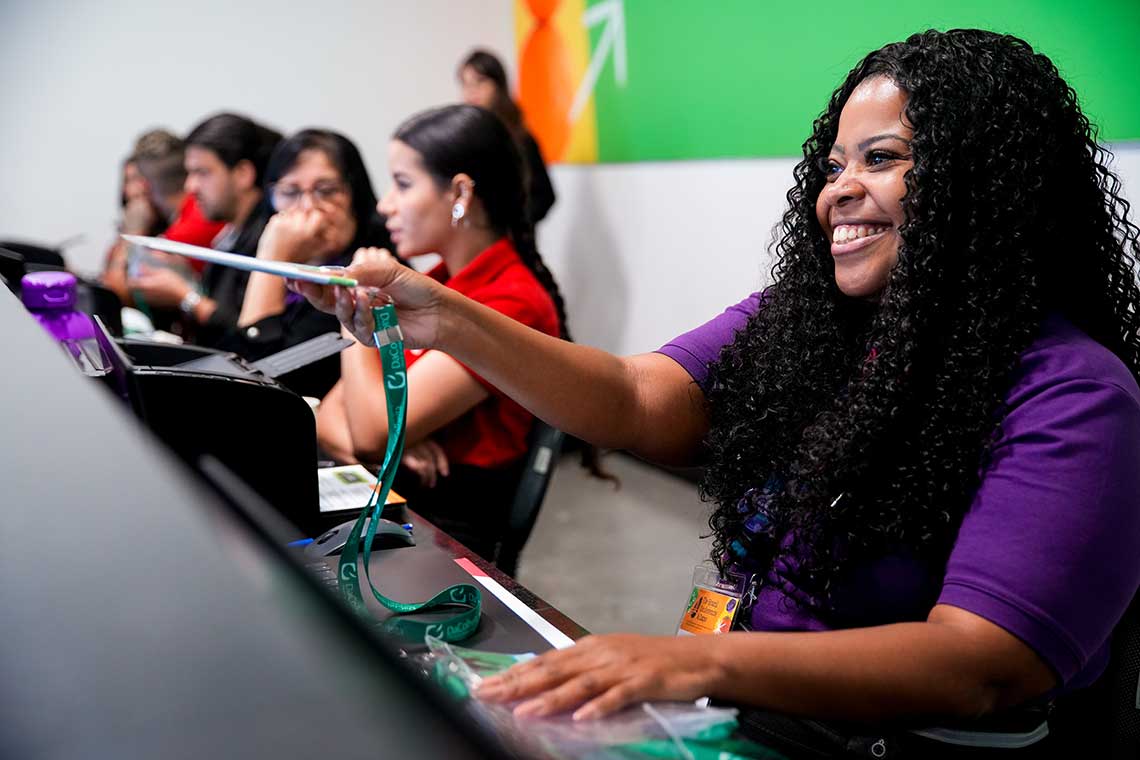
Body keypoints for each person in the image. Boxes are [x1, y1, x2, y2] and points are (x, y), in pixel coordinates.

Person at [296, 30, 1140, 755]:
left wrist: (695, 663)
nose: (837, 189)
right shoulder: (806, 327)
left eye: (881, 159)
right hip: (752, 709)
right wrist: (440, 316)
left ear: (982, 184)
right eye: (836, 162)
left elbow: (979, 664)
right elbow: (628, 396)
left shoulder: (1073, 392)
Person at [313, 104, 567, 570]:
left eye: (403, 184)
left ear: (460, 193)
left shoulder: (509, 303)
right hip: (405, 508)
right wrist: (399, 445)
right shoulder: (444, 282)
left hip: (449, 539)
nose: (385, 204)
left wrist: (350, 314)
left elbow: (368, 433)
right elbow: (330, 416)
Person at [221, 128, 391, 397]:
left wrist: (273, 259)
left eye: (327, 190)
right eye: (290, 192)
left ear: (355, 196)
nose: (308, 206)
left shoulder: (374, 275)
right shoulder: (253, 254)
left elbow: (259, 382)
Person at [128, 113, 282, 344]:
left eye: (202, 172)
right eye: (190, 173)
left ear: (242, 174)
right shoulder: (232, 233)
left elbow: (253, 337)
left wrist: (185, 296)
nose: (191, 186)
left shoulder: (268, 238)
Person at [101, 129, 224, 309]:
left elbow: (113, 292)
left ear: (144, 185)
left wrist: (132, 233)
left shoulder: (179, 239)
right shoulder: (195, 215)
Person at [459, 49, 556, 224]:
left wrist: (512, 224)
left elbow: (544, 196)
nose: (472, 91)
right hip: (472, 240)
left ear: (498, 85)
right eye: (466, 84)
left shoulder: (519, 138)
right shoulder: (462, 137)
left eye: (480, 81)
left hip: (512, 240)